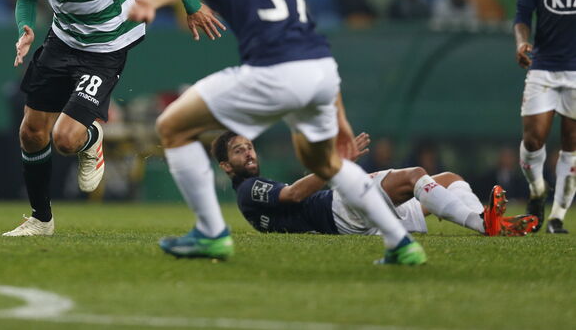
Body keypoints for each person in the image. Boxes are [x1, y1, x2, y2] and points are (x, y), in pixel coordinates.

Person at [127, 0, 426, 264]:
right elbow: (308, 31)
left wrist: (150, 2)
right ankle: (400, 242)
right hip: (319, 70)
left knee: (171, 127)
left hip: (273, 70)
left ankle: (210, 233)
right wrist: (340, 116)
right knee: (327, 163)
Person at [5, 0, 224, 236]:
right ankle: (41, 220)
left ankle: (92, 138)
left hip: (106, 45)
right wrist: (24, 28)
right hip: (63, 38)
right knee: (30, 132)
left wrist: (190, 2)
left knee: (65, 139)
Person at [212, 130, 538, 238]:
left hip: (347, 221)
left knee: (451, 179)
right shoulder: (248, 189)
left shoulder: (249, 197)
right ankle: (483, 223)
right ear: (227, 166)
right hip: (340, 208)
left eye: (249, 146)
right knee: (414, 175)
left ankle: (486, 219)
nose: (249, 153)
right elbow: (295, 193)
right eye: (239, 152)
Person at [513, 0, 576, 234]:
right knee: (534, 138)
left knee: (571, 144)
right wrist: (522, 42)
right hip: (544, 65)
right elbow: (522, 15)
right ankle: (537, 189)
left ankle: (557, 217)